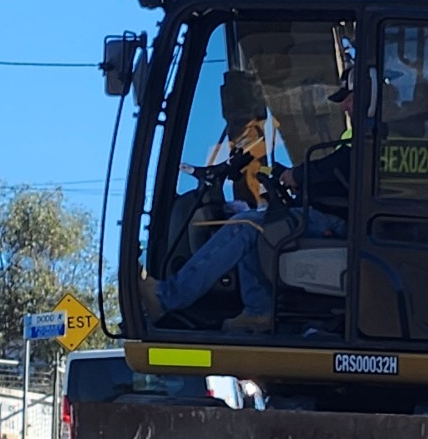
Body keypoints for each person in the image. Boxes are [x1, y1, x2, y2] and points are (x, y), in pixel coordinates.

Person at [144, 128, 350, 332]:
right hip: (325, 214)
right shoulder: (361, 133)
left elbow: (344, 162)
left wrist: (297, 175)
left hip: (332, 219)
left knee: (244, 226)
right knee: (257, 224)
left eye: (347, 99)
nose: (345, 107)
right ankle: (259, 311)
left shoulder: (366, 135)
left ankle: (166, 298)